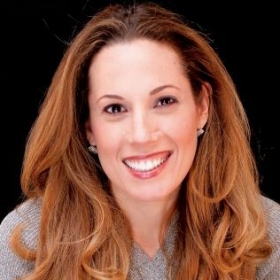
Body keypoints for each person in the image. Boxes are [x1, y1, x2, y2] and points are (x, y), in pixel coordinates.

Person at [0, 2, 279, 279]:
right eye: (115, 108)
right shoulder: (26, 240)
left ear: (202, 107)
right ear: (88, 128)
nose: (142, 135)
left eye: (164, 101)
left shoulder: (266, 233)